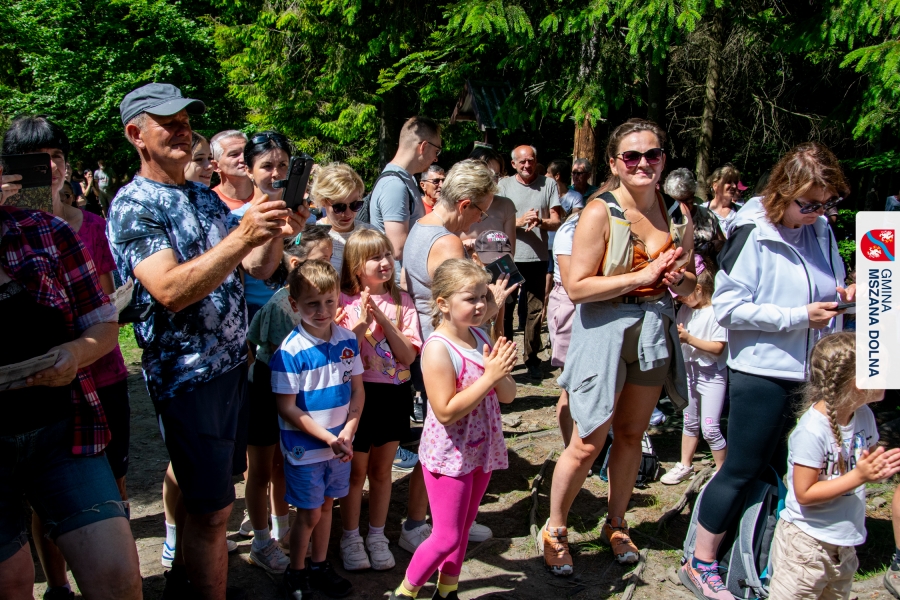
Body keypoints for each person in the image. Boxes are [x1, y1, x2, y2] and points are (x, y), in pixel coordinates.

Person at [107, 82, 301, 599]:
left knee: (214, 501)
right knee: (215, 511)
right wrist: (242, 235)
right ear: (136, 135)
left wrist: (272, 231)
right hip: (188, 375)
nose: (182, 130)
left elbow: (256, 267)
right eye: (168, 123)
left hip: (234, 365)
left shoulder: (200, 195)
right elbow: (170, 291)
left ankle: (186, 584)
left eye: (186, 121)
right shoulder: (134, 204)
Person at [682, 142, 852, 600]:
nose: (817, 213)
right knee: (741, 467)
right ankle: (700, 561)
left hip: (809, 371)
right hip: (760, 370)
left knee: (779, 467)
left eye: (826, 203)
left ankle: (754, 553)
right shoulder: (751, 232)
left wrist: (845, 294)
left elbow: (825, 284)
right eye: (808, 204)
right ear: (782, 192)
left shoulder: (820, 230)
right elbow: (729, 309)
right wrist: (798, 316)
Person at [544, 119, 696, 575]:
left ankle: (616, 522)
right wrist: (642, 276)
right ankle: (555, 529)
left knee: (631, 435)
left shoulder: (673, 211)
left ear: (663, 160)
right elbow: (577, 287)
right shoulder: (598, 212)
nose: (643, 163)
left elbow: (691, 283)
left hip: (652, 330)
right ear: (614, 163)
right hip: (605, 330)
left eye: (652, 154)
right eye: (631, 156)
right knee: (588, 441)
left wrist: (679, 281)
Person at [1, 116, 135, 599]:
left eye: (56, 157)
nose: (49, 168)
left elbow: (103, 322)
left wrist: (75, 353)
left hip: (64, 429)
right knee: (13, 580)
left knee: (119, 577)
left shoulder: (48, 232)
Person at [387, 259, 516, 600]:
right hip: (449, 457)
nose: (481, 305)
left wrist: (500, 371)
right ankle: (404, 593)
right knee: (445, 536)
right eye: (471, 298)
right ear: (443, 303)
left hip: (480, 449)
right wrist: (490, 376)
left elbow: (508, 395)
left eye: (484, 297)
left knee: (461, 531)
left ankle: (447, 591)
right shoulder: (438, 349)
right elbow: (444, 412)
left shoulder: (479, 335)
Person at [403, 159, 514, 553]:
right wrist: (493, 301)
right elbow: (461, 305)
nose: (481, 219)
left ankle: (436, 520)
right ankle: (428, 525)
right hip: (447, 350)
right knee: (446, 441)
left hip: (431, 344)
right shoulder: (447, 242)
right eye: (481, 211)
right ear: (465, 204)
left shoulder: (423, 225)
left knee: (437, 441)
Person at [768, 333, 898, 600]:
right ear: (855, 382)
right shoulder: (812, 430)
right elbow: (804, 493)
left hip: (844, 545)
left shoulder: (863, 415)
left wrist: (876, 471)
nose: (888, 377)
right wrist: (859, 476)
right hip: (805, 548)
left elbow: (865, 466)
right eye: (879, 371)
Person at [242, 225, 334, 576]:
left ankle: (282, 532)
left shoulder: (314, 304)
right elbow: (258, 345)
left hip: (293, 393)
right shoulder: (282, 306)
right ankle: (261, 540)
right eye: (323, 258)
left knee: (282, 465)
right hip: (267, 390)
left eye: (331, 258)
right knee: (261, 469)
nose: (330, 265)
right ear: (296, 264)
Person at [272, 259, 362, 599]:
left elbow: (357, 391)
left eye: (329, 301)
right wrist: (328, 438)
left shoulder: (348, 340)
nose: (323, 311)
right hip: (306, 449)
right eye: (312, 304)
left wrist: (349, 430)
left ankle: (319, 566)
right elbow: (287, 407)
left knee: (326, 507)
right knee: (309, 513)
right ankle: (295, 573)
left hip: (340, 445)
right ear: (294, 304)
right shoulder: (289, 352)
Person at [337, 228, 422, 571]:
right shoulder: (341, 301)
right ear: (356, 266)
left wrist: (383, 318)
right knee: (355, 472)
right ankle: (350, 536)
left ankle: (376, 535)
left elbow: (408, 357)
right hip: (357, 396)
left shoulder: (403, 302)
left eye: (387, 254)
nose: (385, 262)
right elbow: (341, 355)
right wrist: (360, 321)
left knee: (382, 471)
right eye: (375, 257)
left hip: (394, 395)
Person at [497, 145, 563, 379]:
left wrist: (541, 222)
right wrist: (519, 221)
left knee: (535, 310)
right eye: (522, 161)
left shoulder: (549, 184)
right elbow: (495, 220)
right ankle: (505, 359)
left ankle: (532, 358)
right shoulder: (503, 185)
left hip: (537, 257)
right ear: (513, 164)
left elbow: (557, 221)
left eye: (531, 160)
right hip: (508, 257)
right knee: (505, 309)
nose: (527, 165)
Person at [661, 269, 727, 485]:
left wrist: (689, 339)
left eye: (682, 294)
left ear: (698, 289)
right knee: (689, 422)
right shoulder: (685, 310)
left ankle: (722, 471)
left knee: (710, 428)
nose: (679, 298)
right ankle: (685, 464)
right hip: (689, 372)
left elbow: (718, 348)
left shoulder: (717, 313)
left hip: (711, 375)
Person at [370, 116, 440, 273]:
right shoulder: (395, 185)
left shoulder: (407, 180)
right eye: (436, 151)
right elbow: (397, 249)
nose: (436, 158)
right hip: (398, 283)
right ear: (423, 146)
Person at [547, 211, 579, 447]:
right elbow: (572, 286)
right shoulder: (569, 231)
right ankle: (571, 446)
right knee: (570, 385)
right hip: (569, 302)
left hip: (589, 305)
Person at [313, 162, 375, 273]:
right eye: (339, 207)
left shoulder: (371, 233)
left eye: (355, 205)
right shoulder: (312, 237)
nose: (348, 213)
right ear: (323, 202)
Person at [663, 167, 725, 261]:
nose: (682, 207)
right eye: (677, 202)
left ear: (693, 195)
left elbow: (723, 245)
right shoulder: (663, 217)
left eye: (687, 201)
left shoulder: (707, 216)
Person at [210, 130, 255, 210]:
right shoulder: (209, 202)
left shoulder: (271, 193)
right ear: (216, 166)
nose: (244, 158)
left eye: (247, 152)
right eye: (234, 154)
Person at [705, 164, 741, 238]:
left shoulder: (741, 211)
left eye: (735, 182)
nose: (734, 186)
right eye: (728, 182)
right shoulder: (702, 210)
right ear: (715, 186)